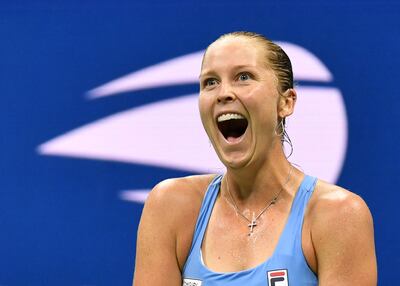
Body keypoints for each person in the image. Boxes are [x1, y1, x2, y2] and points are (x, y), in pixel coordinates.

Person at [132, 31, 377, 286]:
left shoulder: (338, 216)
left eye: (243, 77)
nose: (223, 93)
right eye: (210, 82)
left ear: (286, 102)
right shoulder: (171, 207)